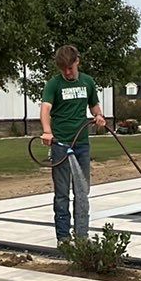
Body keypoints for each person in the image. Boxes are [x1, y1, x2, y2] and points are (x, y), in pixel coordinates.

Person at [40, 45, 107, 244]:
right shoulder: (54, 84)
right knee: (62, 193)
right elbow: (45, 109)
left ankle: (82, 236)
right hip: (61, 144)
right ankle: (63, 237)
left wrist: (99, 116)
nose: (67, 72)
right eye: (63, 69)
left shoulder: (88, 82)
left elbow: (94, 106)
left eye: (70, 67)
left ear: (77, 61)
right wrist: (47, 131)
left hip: (82, 144)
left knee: (82, 191)